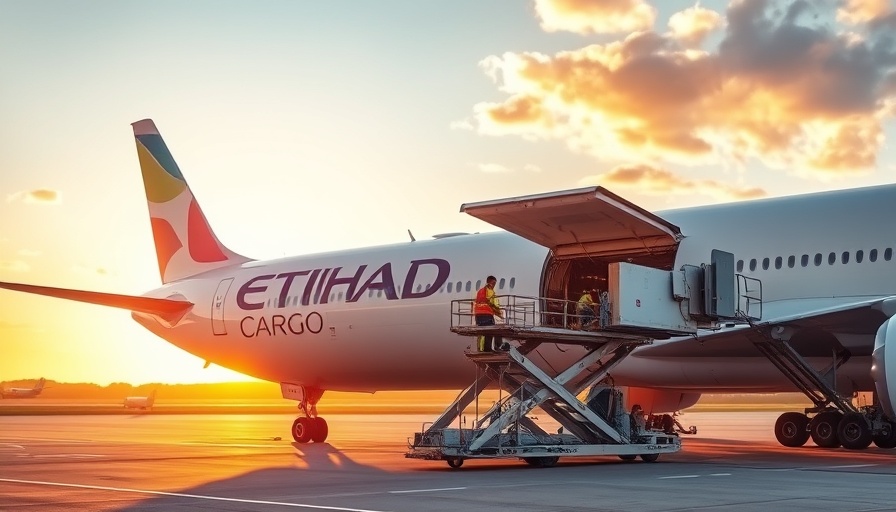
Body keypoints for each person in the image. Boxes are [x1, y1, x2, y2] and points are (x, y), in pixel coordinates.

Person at [474, 275, 505, 351]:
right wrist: (499, 313)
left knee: (482, 332)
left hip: (478, 314)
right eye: (493, 283)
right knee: (491, 331)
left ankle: (481, 349)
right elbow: (493, 304)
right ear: (489, 282)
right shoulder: (490, 292)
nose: (494, 285)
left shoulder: (480, 291)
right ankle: (491, 348)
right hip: (486, 314)